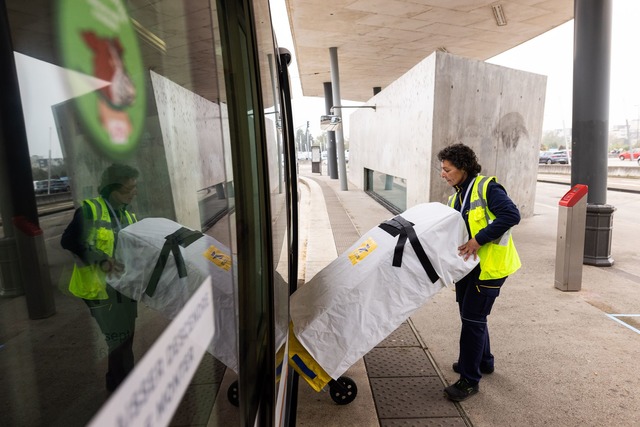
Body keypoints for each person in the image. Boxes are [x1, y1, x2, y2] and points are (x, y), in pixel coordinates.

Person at [437, 143, 521, 402]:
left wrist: (478, 240)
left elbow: (511, 215)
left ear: (462, 168)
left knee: (472, 322)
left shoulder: (487, 187)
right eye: (442, 169)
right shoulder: (456, 196)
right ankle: (484, 361)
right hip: (468, 269)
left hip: (489, 268)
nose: (443, 174)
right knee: (472, 317)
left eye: (447, 169)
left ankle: (469, 380)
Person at [61, 163, 139, 393]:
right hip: (98, 289)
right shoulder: (90, 210)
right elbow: (68, 240)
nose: (133, 192)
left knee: (124, 338)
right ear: (111, 189)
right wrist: (100, 259)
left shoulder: (128, 214)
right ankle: (124, 390)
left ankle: (115, 383)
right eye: (128, 189)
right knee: (120, 339)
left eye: (135, 187)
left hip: (122, 287)